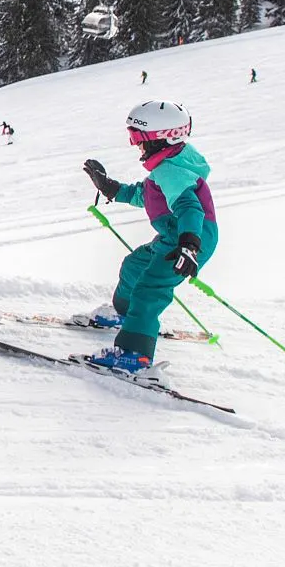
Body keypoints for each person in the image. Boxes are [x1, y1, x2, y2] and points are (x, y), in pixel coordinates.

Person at [80, 100, 217, 377]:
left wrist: (189, 246)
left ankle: (134, 354)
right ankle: (125, 315)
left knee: (150, 288)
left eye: (136, 138)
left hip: (190, 239)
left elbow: (191, 208)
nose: (134, 145)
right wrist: (110, 188)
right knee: (134, 265)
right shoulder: (168, 166)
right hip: (174, 236)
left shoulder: (171, 172)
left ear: (159, 139)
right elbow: (145, 195)